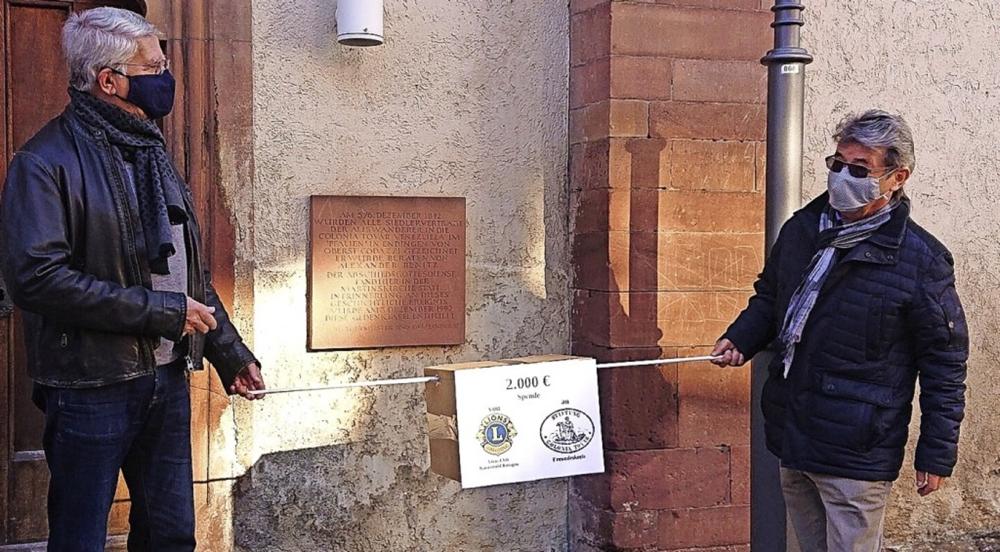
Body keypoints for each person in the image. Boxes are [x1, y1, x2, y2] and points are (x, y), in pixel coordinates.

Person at [0, 7, 265, 551]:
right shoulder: (44, 160)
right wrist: (163, 314)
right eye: (154, 65)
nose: (166, 75)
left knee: (170, 536)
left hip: (166, 381)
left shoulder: (151, 151)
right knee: (80, 539)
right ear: (109, 80)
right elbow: (37, 279)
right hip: (89, 387)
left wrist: (230, 353)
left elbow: (186, 272)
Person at [711, 110, 968, 551]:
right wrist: (741, 338)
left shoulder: (922, 261)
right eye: (837, 164)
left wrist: (936, 453)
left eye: (859, 169)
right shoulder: (803, 229)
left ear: (896, 177)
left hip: (858, 450)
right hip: (795, 433)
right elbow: (772, 297)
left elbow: (944, 363)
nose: (842, 177)